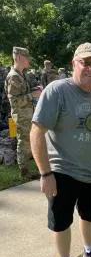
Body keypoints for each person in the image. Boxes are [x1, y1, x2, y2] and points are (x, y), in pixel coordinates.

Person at [30, 42, 91, 257]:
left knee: (89, 215)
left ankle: (88, 251)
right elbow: (36, 131)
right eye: (85, 63)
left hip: (89, 171)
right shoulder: (57, 90)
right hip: (61, 171)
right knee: (61, 221)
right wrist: (45, 173)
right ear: (75, 63)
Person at [4, 47, 41, 178]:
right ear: (19, 57)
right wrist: (32, 94)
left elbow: (22, 94)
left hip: (26, 114)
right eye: (27, 57)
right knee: (23, 142)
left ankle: (30, 170)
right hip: (20, 116)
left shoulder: (21, 74)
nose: (29, 60)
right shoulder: (14, 76)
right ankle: (24, 172)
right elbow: (14, 101)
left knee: (28, 141)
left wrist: (33, 90)